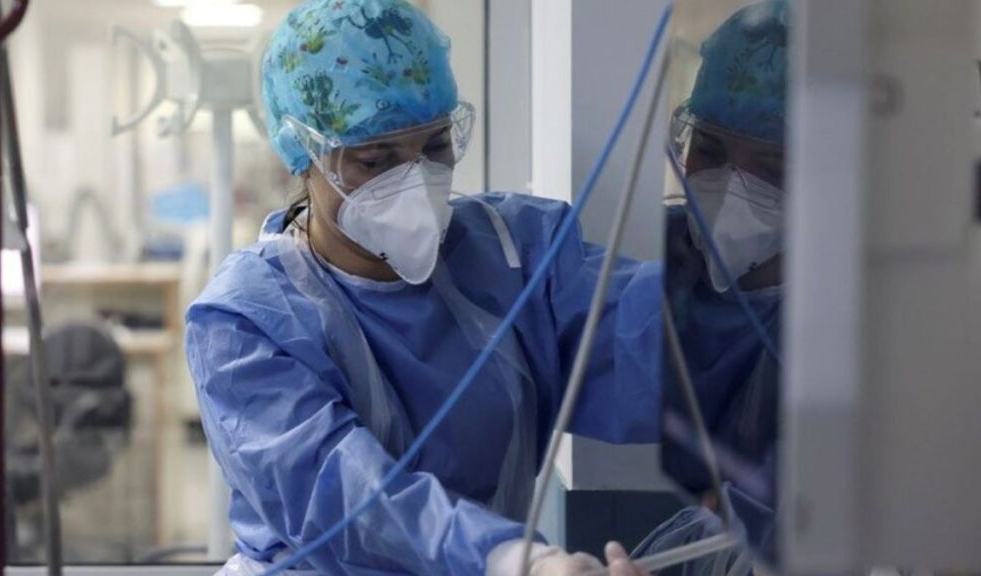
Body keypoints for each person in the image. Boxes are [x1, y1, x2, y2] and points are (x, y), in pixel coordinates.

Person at [185, 0, 663, 574]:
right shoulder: (247, 321)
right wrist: (508, 557)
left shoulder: (514, 254)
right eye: (374, 160)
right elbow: (339, 494)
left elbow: (662, 342)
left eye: (435, 147)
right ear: (304, 154)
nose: (415, 181)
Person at [638, 0, 788, 572]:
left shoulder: (864, 316)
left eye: (771, 166)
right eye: (710, 149)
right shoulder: (649, 261)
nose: (731, 186)